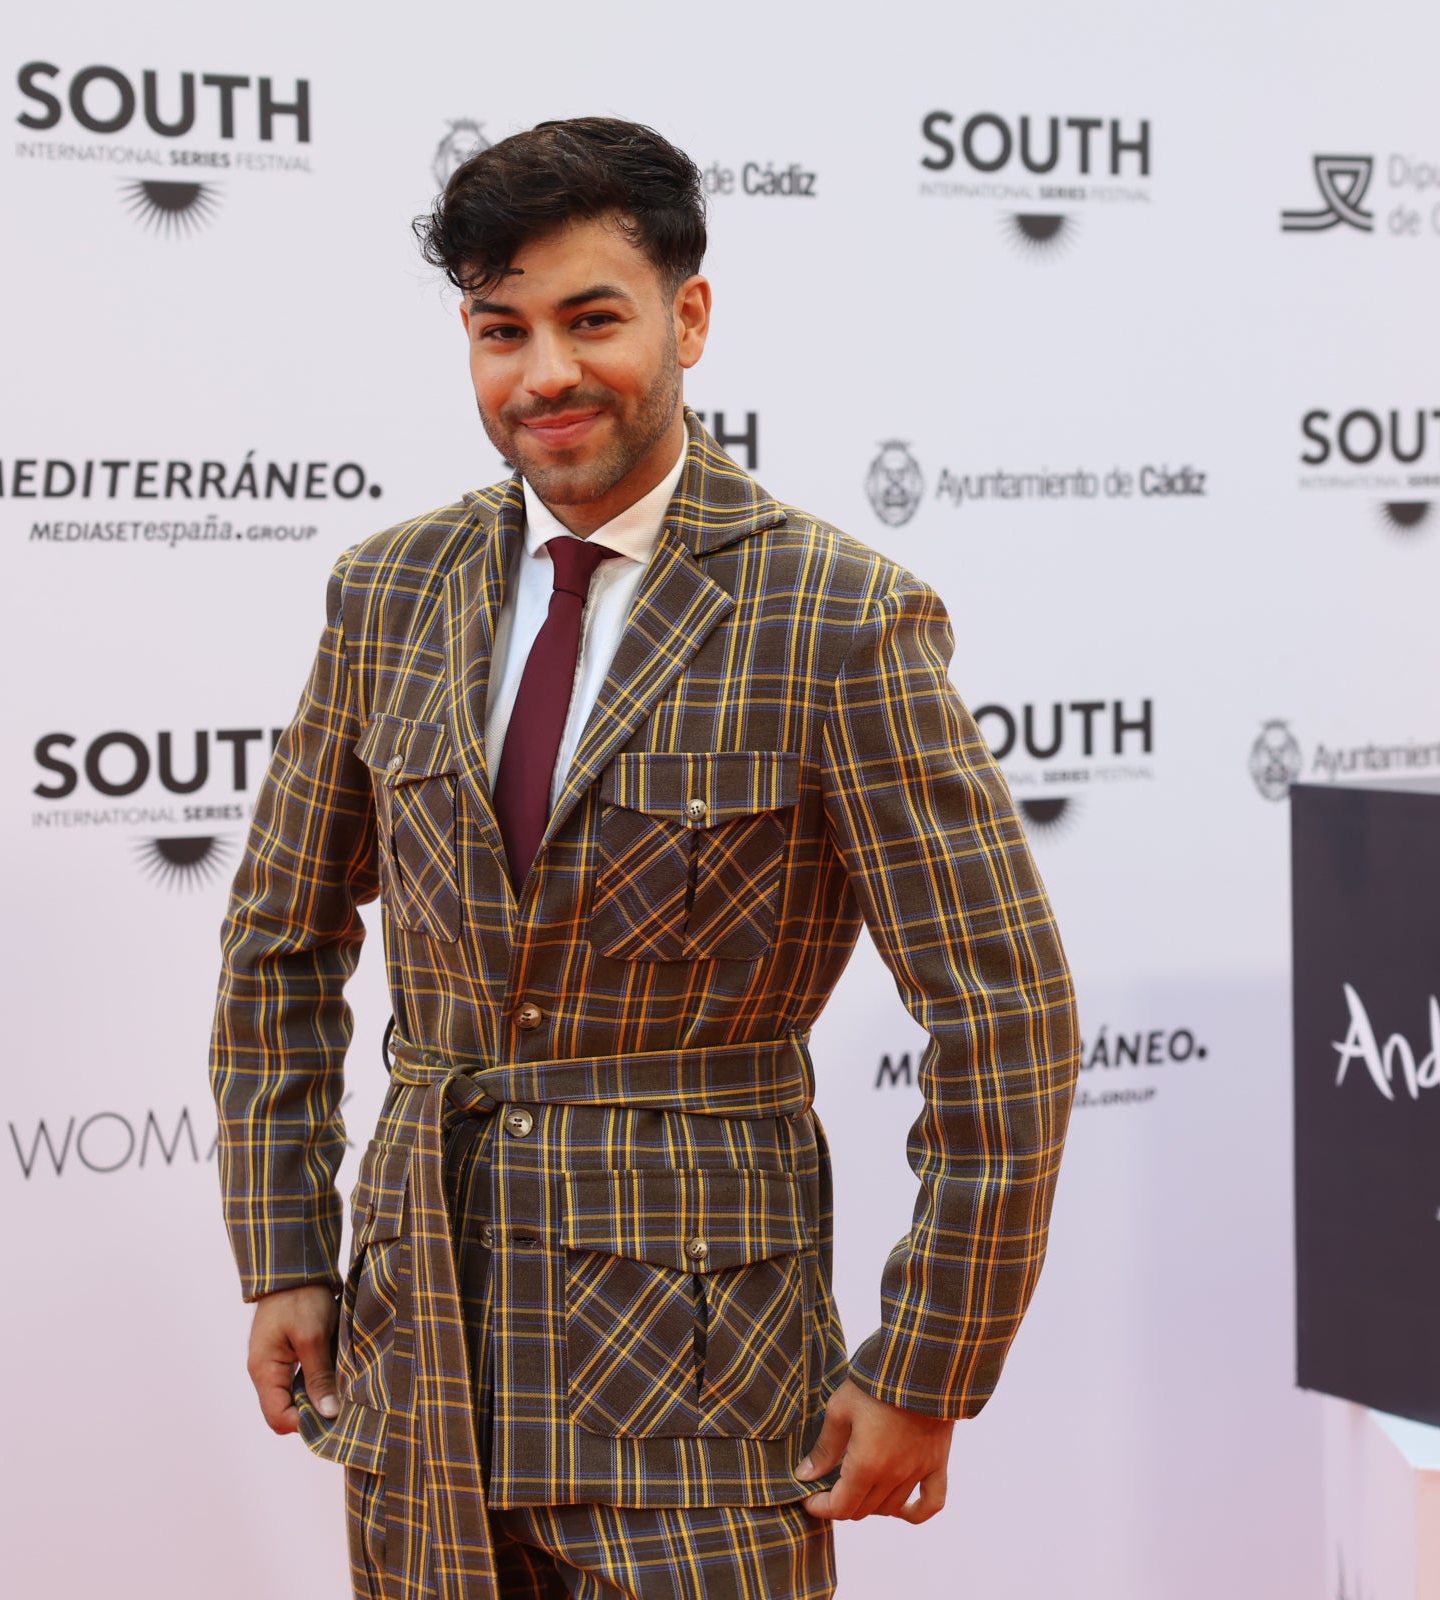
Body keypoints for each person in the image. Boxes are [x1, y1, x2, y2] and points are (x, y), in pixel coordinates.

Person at [210, 116, 1079, 1600]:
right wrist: (288, 1250)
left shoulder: (834, 615)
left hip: (696, 1390)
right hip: (420, 1362)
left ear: (687, 317)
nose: (543, 371)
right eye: (501, 329)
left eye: (590, 318)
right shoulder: (387, 593)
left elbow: (1005, 1015)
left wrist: (930, 1364)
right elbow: (279, 942)